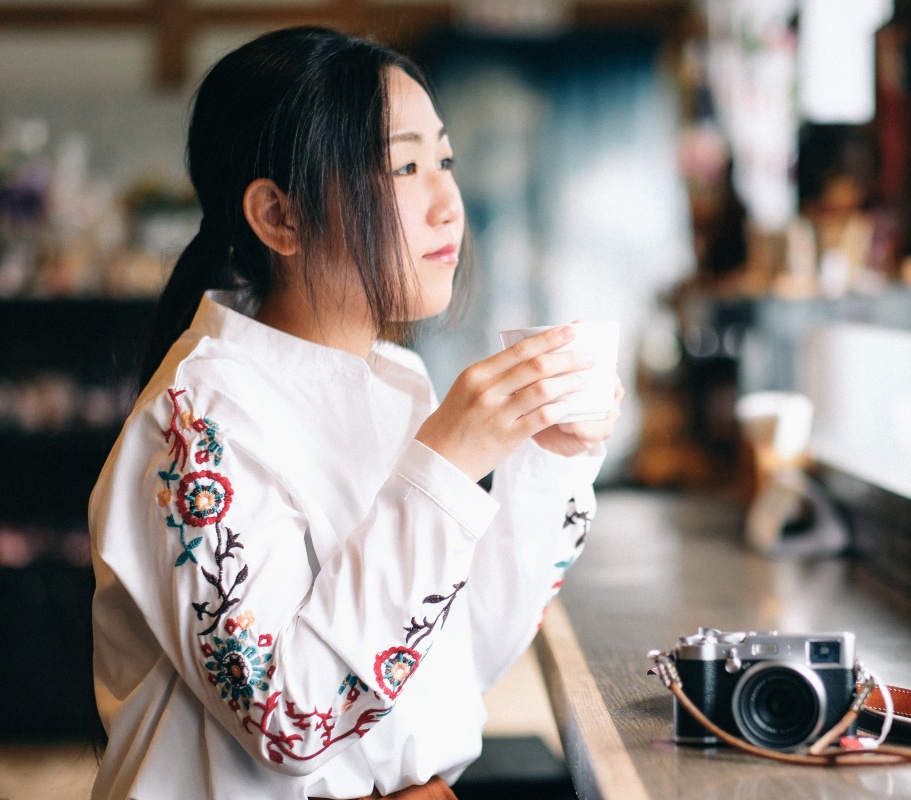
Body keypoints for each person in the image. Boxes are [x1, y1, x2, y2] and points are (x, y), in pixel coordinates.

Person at [88, 26, 621, 800]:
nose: (448, 205)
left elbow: (458, 657)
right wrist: (443, 467)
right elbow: (287, 720)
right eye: (404, 166)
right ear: (281, 217)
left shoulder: (397, 379)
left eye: (444, 159)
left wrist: (549, 454)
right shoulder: (197, 418)